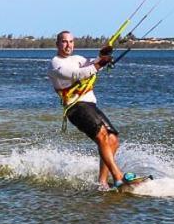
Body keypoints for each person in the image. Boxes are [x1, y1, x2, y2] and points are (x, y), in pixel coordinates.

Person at [49, 30, 136, 190]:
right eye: (64, 41)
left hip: (90, 105)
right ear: (57, 44)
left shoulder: (78, 59)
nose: (68, 45)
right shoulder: (56, 64)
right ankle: (118, 177)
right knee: (102, 136)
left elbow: (93, 66)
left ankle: (102, 183)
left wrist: (103, 57)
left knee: (113, 140)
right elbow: (78, 74)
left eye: (71, 41)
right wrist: (100, 63)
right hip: (75, 107)